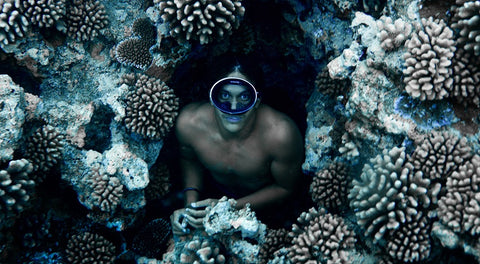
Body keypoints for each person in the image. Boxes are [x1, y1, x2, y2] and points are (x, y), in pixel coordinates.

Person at [170, 66, 304, 235]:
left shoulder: (280, 135)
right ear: (212, 97)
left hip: (271, 213)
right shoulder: (189, 124)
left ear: (257, 100)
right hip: (215, 195)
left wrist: (228, 207)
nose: (233, 107)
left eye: (244, 96)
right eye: (225, 95)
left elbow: (286, 188)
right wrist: (191, 207)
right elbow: (188, 159)